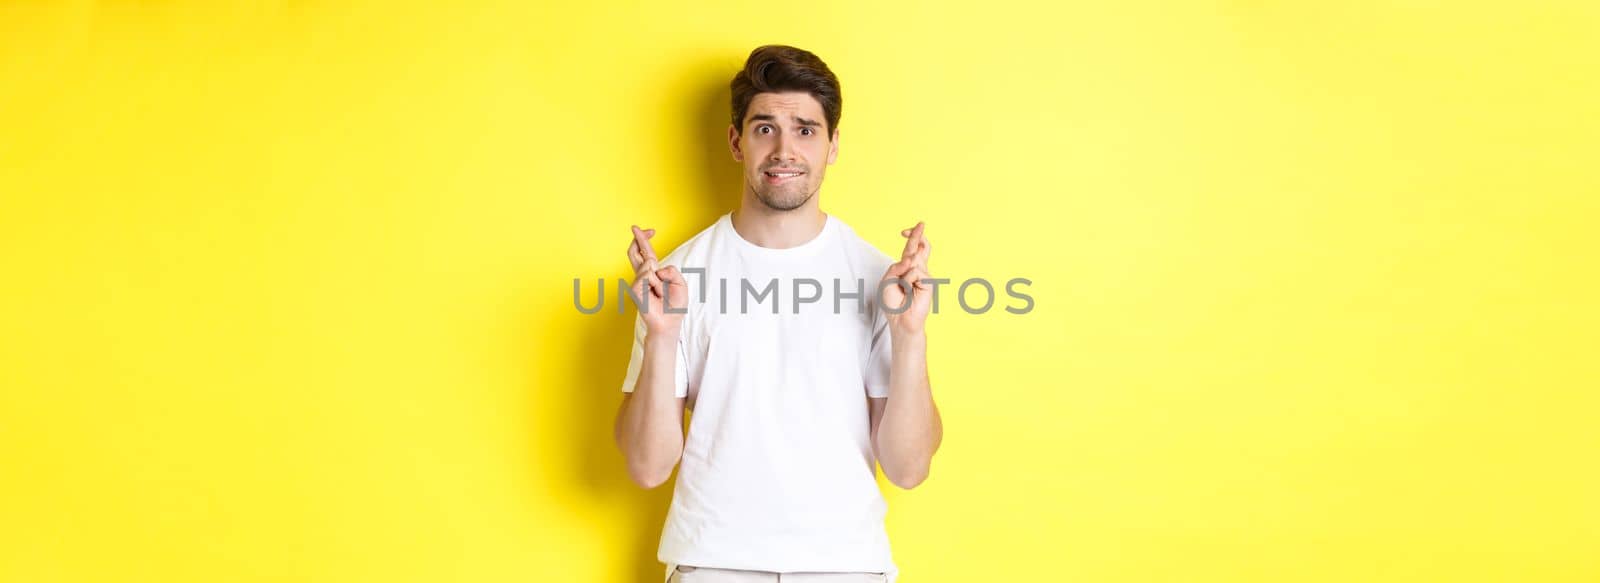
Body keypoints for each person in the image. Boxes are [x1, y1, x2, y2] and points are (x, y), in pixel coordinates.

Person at [613, 45, 942, 583]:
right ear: (736, 141)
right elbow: (648, 467)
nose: (784, 149)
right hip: (712, 565)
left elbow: (908, 469)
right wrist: (661, 336)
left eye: (806, 130)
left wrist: (910, 336)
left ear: (833, 145)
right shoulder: (676, 278)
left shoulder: (881, 280)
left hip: (847, 567)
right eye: (765, 128)